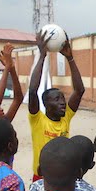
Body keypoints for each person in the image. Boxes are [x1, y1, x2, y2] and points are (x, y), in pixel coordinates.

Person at [28, 30, 85, 181]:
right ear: (45, 104)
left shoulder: (66, 116)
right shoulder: (38, 120)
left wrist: (70, 59)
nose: (62, 102)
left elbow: (79, 91)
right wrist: (42, 56)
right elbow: (33, 91)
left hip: (63, 177)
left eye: (63, 98)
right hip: (41, 177)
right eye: (57, 99)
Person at [0, 43, 23, 122]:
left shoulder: (4, 121)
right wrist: (7, 67)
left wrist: (11, 68)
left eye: (0, 106)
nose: (1, 109)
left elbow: (18, 99)